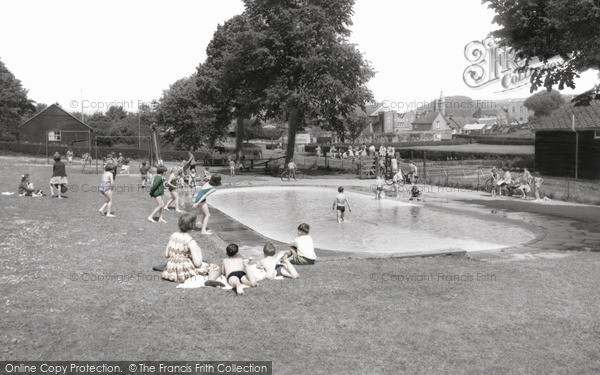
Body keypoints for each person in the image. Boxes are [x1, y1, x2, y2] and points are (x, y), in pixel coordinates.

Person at [162, 213, 222, 284]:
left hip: (171, 269)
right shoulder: (190, 241)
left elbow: (166, 255)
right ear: (192, 226)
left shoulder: (173, 235)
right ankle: (210, 280)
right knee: (214, 267)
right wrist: (199, 251)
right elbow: (198, 263)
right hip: (184, 271)